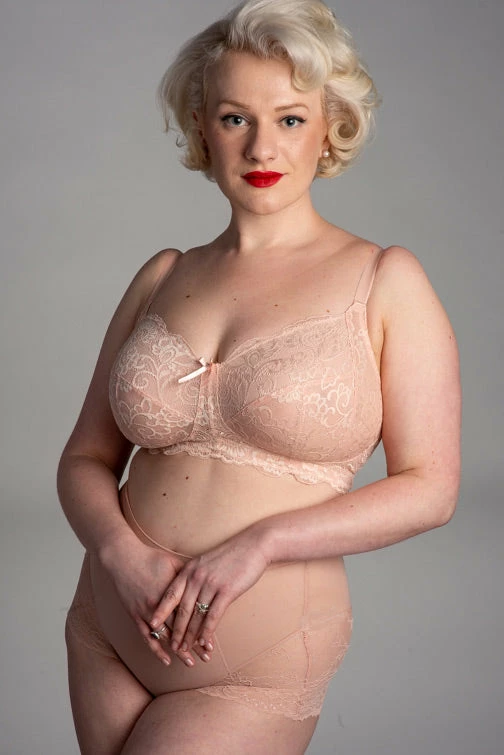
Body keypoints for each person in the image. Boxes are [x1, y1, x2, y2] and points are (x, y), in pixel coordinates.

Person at [57, 0, 461, 753]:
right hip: (107, 628)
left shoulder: (385, 280)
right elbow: (84, 458)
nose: (261, 145)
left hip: (254, 658)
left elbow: (430, 488)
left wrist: (264, 542)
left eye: (290, 118)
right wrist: (119, 552)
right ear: (202, 129)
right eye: (235, 118)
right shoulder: (163, 275)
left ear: (330, 127)